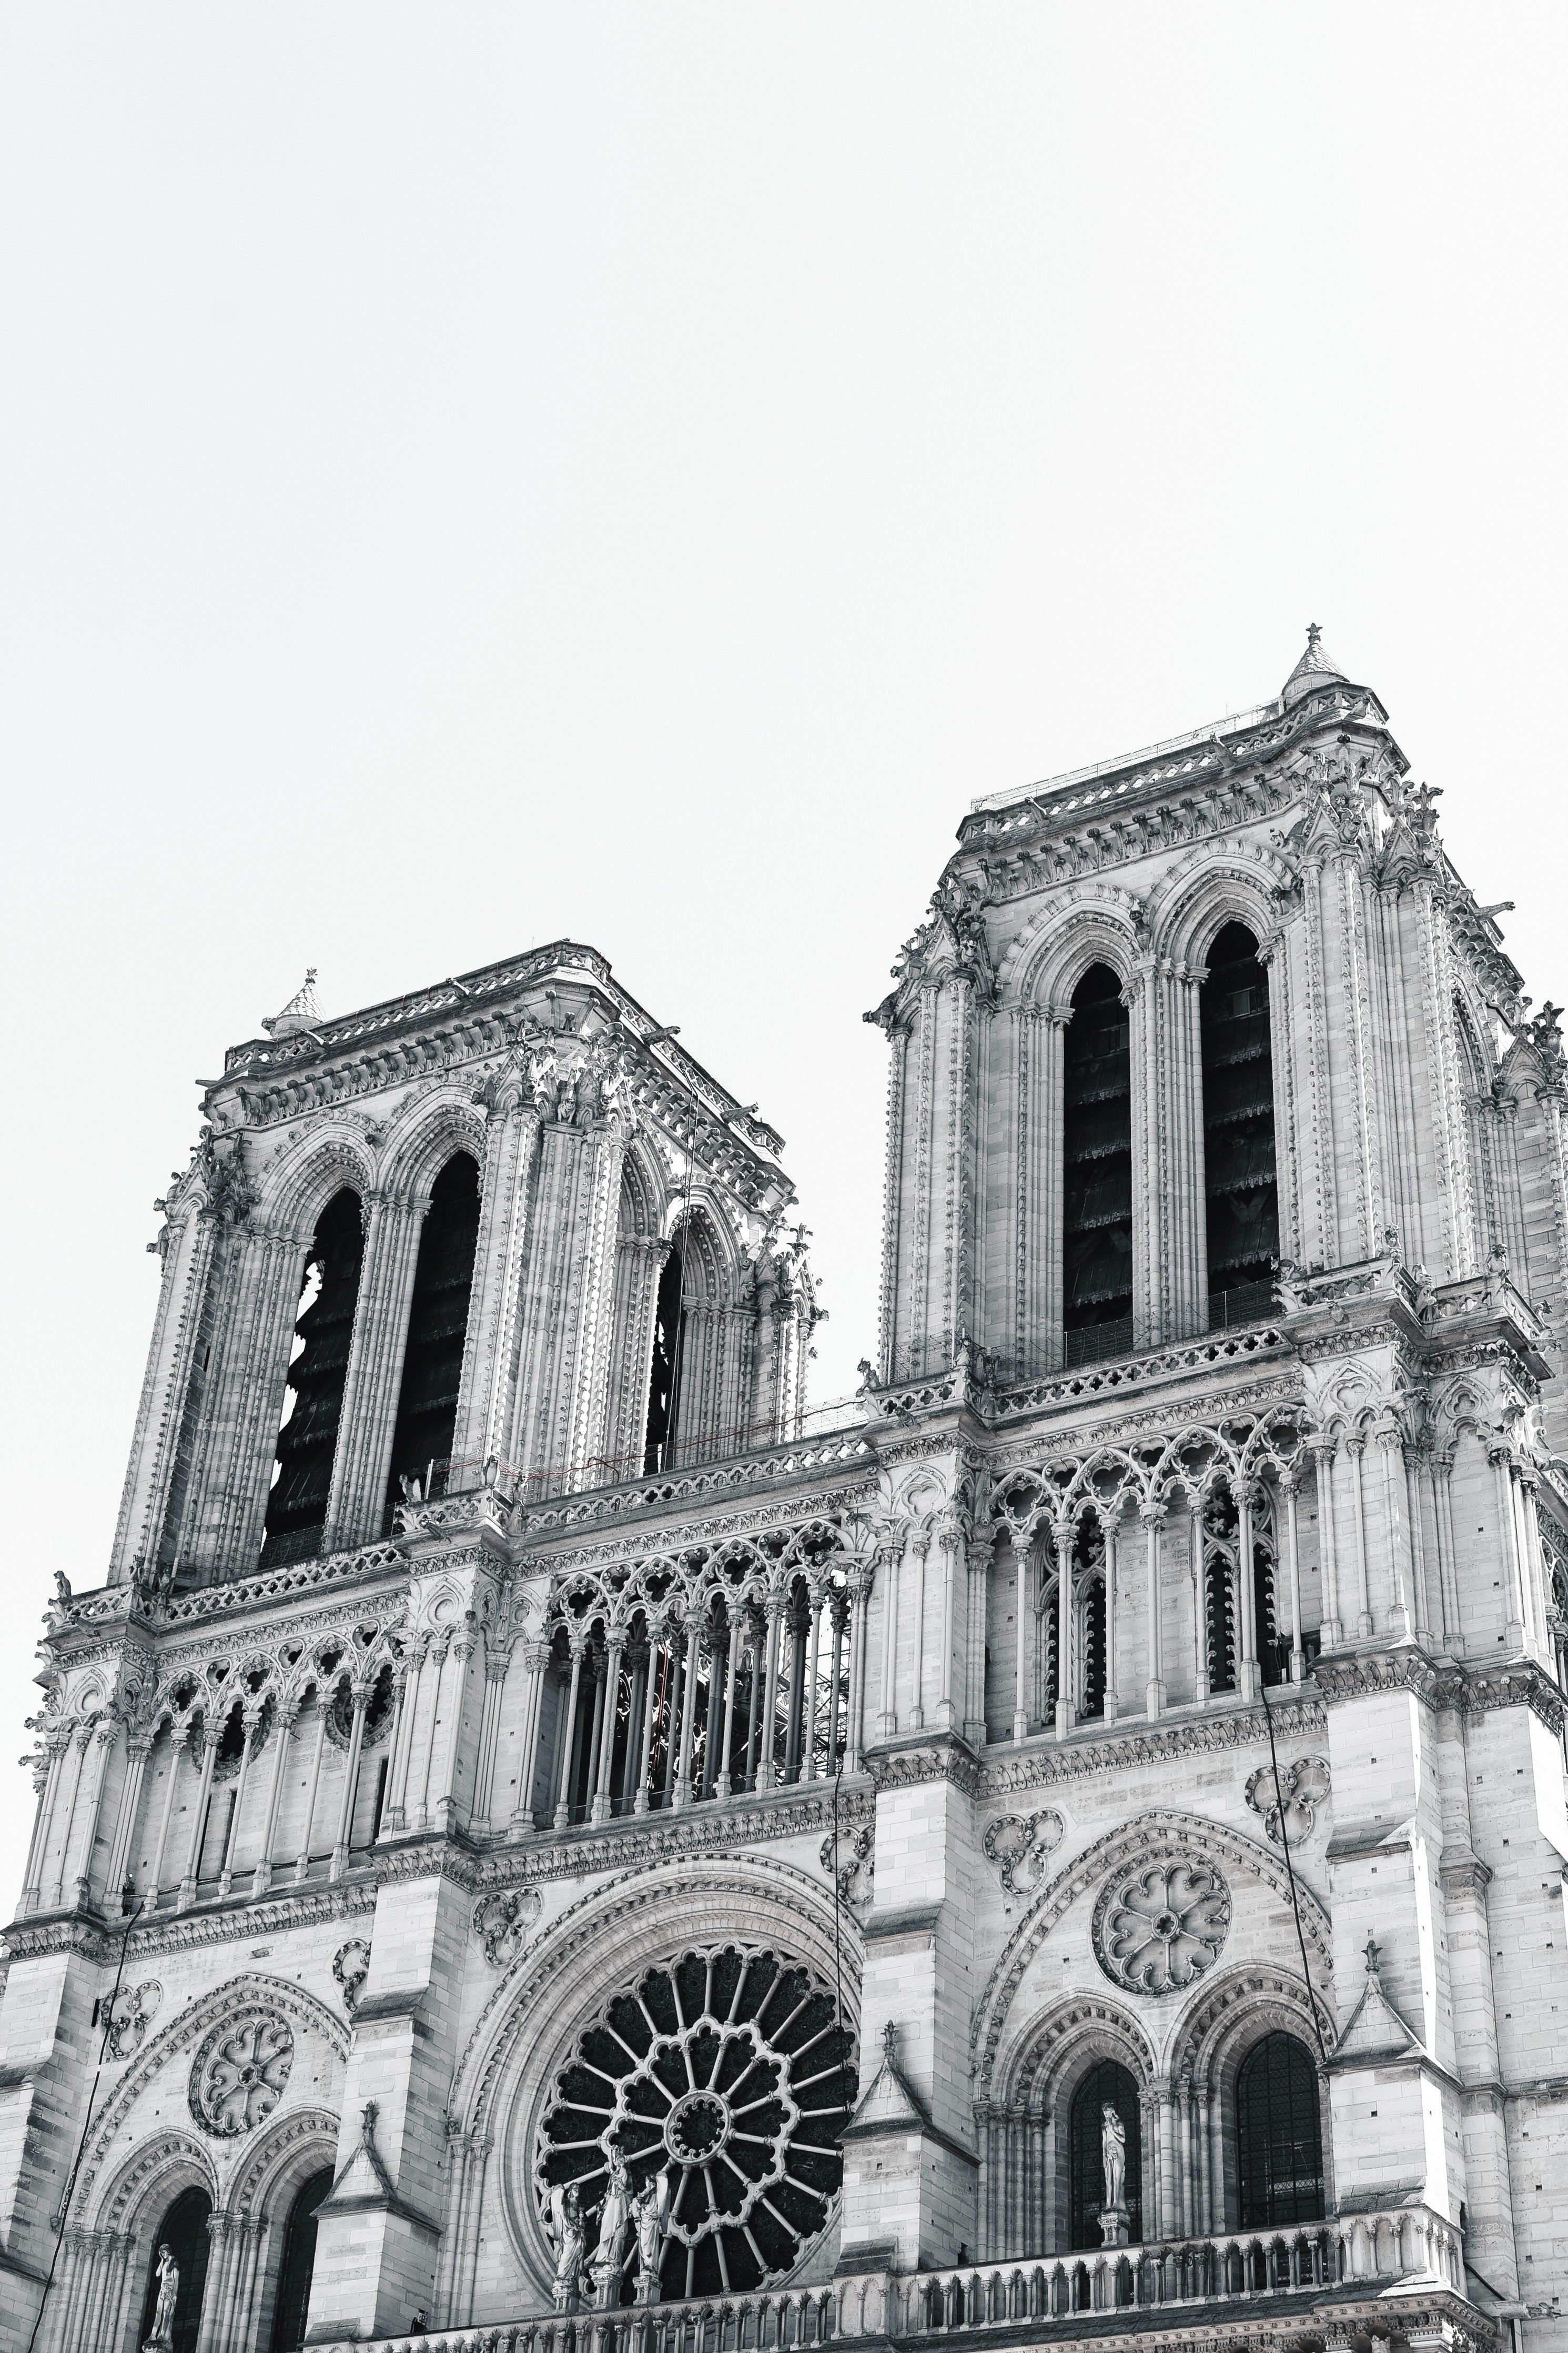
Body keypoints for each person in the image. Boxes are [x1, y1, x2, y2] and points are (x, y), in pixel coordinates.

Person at [145, 2243, 178, 2348]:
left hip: (169, 2290)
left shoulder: (174, 2263)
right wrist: (161, 2261)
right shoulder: (164, 2263)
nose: (163, 2254)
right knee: (158, 2313)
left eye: (164, 2252)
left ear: (168, 2251)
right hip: (162, 2291)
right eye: (161, 2253)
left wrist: (175, 2295)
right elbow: (158, 2274)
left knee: (166, 2312)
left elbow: (176, 2280)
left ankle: (162, 2334)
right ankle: (153, 2335)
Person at [1101, 2103, 1126, 2211]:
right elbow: (1105, 2141)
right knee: (1108, 2179)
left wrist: (1113, 2131)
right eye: (1104, 2111)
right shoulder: (1104, 2125)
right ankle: (1108, 2203)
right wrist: (1104, 2155)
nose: (1106, 2113)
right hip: (1108, 2152)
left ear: (1112, 2111)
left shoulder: (1119, 2123)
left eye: (1107, 2111)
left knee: (1117, 2178)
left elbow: (1123, 2139)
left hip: (1118, 2151)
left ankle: (1116, 2202)